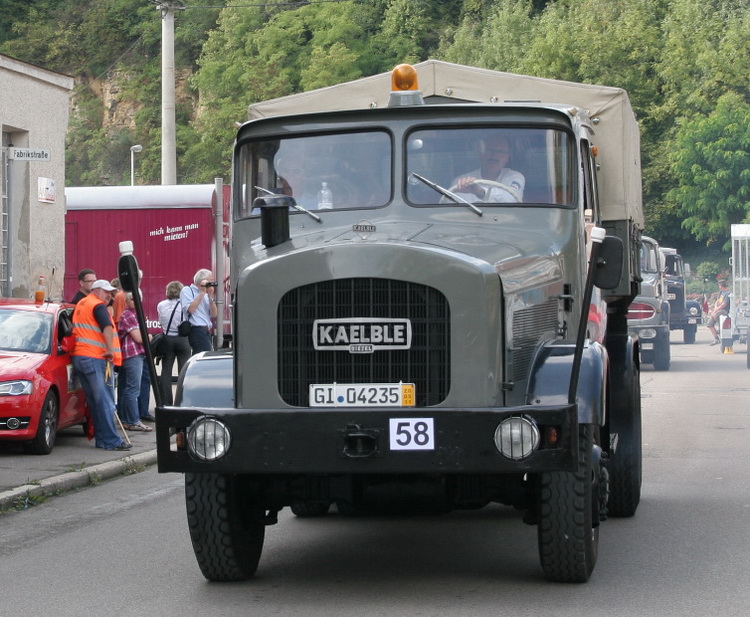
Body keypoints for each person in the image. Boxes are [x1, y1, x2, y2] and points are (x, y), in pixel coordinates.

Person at [71, 279, 131, 451]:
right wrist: (110, 350)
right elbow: (106, 327)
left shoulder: (82, 303)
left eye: (111, 292)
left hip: (81, 356)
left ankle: (104, 439)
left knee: (96, 401)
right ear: (96, 291)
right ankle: (111, 441)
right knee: (105, 401)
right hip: (95, 357)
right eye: (106, 292)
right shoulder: (97, 306)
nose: (109, 296)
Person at [450, 133, 525, 203]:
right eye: (489, 151)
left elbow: (513, 199)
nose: (494, 156)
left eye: (500, 151)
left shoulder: (514, 177)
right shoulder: (461, 182)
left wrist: (480, 191)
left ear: (507, 157)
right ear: (481, 154)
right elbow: (449, 213)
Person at [117, 292, 153, 432]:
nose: (135, 301)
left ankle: (127, 420)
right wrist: (148, 336)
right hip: (133, 354)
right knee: (133, 389)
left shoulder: (135, 314)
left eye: (138, 298)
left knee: (129, 388)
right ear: (126, 301)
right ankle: (133, 421)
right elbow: (138, 338)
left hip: (133, 354)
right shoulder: (129, 315)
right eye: (132, 299)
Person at [157, 280, 191, 405]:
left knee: (166, 371)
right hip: (183, 340)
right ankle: (182, 401)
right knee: (184, 371)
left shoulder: (161, 305)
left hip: (167, 339)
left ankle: (166, 403)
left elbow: (161, 321)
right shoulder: (185, 305)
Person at [180, 269, 218, 355]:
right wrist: (201, 293)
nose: (212, 283)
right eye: (210, 280)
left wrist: (210, 296)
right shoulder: (187, 290)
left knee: (205, 355)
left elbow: (214, 314)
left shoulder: (207, 295)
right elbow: (191, 309)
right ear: (202, 281)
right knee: (204, 356)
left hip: (206, 329)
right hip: (196, 329)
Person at [707, 280, 731, 346]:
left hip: (724, 310)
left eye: (719, 285)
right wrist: (715, 308)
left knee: (715, 315)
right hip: (718, 309)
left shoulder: (728, 293)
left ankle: (720, 329)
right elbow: (717, 301)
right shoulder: (721, 293)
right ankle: (716, 339)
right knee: (709, 324)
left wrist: (717, 310)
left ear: (721, 286)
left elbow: (725, 304)